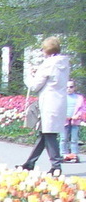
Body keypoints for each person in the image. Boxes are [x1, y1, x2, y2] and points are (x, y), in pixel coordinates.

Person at [20, 36, 70, 175]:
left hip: (48, 102)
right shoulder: (64, 63)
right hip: (59, 101)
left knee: (49, 134)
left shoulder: (48, 64)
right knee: (44, 133)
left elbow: (35, 85)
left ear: (47, 49)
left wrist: (29, 76)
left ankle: (56, 165)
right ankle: (30, 163)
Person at [62, 79, 83, 158]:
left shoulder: (78, 98)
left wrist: (78, 115)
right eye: (67, 87)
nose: (69, 89)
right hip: (64, 121)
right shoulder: (62, 97)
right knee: (63, 139)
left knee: (74, 139)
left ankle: (74, 154)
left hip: (75, 120)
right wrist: (64, 116)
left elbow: (82, 109)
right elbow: (59, 108)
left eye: (71, 87)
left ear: (74, 88)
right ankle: (63, 154)